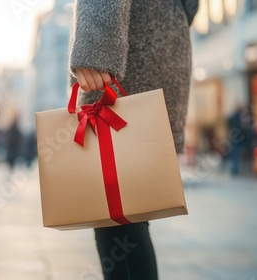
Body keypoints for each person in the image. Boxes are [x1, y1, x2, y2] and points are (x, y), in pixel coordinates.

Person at [69, 1, 198, 279]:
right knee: (127, 213)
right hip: (157, 42)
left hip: (125, 50)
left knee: (115, 216)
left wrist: (96, 48)